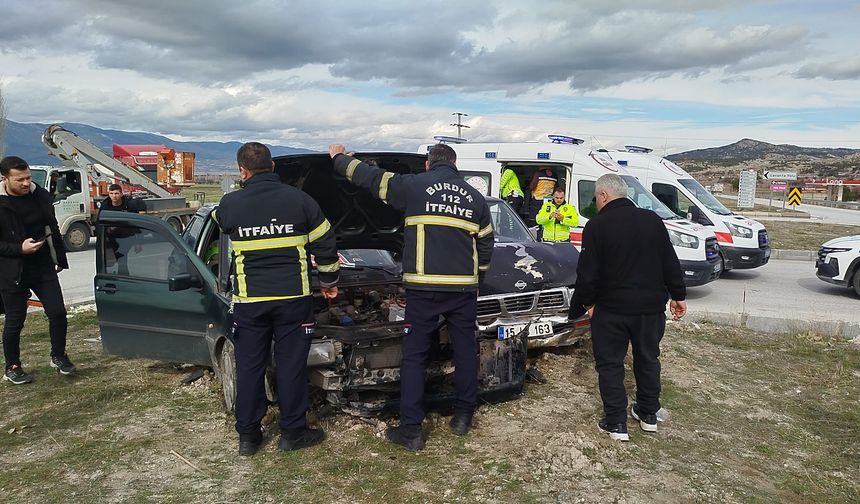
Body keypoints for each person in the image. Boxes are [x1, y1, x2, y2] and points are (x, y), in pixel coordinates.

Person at [329, 143, 493, 451]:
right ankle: (462, 418)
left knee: (415, 357)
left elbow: (371, 178)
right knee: (464, 351)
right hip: (463, 290)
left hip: (424, 290)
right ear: (454, 165)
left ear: (428, 165)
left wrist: (339, 159)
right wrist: (477, 279)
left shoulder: (416, 185)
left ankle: (412, 431)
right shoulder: (474, 198)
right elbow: (486, 246)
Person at [212, 142, 339, 456]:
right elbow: (326, 244)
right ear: (273, 167)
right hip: (293, 301)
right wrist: (328, 281)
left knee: (250, 368)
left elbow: (219, 219)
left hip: (249, 303)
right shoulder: (301, 201)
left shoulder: (230, 204)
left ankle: (248, 438)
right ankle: (292, 434)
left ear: (243, 171)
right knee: (291, 367)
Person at [571, 174, 686, 442]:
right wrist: (678, 295)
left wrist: (588, 303)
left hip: (611, 310)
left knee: (610, 364)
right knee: (648, 359)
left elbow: (587, 273)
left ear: (603, 196)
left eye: (596, 198)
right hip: (650, 309)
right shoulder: (652, 221)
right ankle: (648, 415)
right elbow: (669, 260)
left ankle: (615, 423)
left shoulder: (597, 226)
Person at [0, 156, 74, 384]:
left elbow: (51, 226)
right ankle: (12, 366)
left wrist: (58, 257)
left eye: (28, 178)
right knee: (15, 320)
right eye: (19, 179)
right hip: (12, 269)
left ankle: (58, 355)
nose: (25, 183)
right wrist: (19, 249)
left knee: (58, 313)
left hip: (42, 266)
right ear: (5, 179)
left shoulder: (40, 195)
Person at [98, 184, 144, 276]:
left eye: (116, 193)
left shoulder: (130, 205)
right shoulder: (105, 205)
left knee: (122, 255)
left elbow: (137, 224)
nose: (114, 196)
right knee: (116, 258)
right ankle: (121, 274)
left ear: (121, 194)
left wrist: (139, 242)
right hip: (111, 237)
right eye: (111, 193)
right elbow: (99, 222)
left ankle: (123, 274)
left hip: (127, 236)